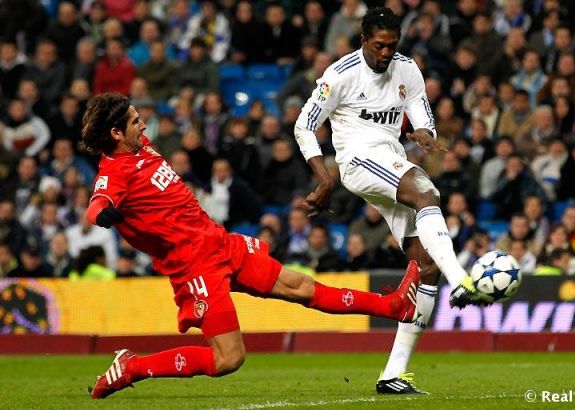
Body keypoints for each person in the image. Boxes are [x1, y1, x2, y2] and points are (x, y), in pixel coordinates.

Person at [82, 93, 420, 399]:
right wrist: (104, 213)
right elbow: (97, 203)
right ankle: (132, 367)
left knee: (301, 287)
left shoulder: (141, 147)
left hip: (218, 243)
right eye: (135, 121)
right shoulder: (114, 171)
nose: (143, 125)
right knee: (229, 359)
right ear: (116, 133)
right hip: (194, 265)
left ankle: (393, 306)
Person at [293, 7, 486, 395]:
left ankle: (393, 374)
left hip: (390, 159)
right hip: (357, 159)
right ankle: (461, 279)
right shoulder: (340, 74)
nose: (386, 53)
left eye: (392, 46)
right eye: (379, 45)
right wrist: (324, 177)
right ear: (363, 39)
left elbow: (423, 117)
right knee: (426, 191)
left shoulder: (407, 69)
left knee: (425, 265)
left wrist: (425, 134)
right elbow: (304, 125)